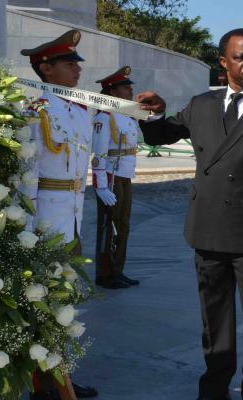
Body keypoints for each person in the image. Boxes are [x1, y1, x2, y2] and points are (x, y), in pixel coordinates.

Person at [136, 28, 243, 400]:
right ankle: (214, 390)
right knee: (214, 321)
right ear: (223, 62)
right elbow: (160, 135)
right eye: (242, 57)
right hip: (208, 230)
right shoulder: (201, 105)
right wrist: (154, 114)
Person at [20, 29, 99, 400]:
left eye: (76, 63)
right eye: (69, 63)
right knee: (43, 301)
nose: (77, 70)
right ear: (46, 68)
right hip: (45, 221)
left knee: (63, 303)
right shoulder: (36, 109)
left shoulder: (79, 111)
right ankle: (45, 382)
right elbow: (27, 172)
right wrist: (28, 226)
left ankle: (61, 376)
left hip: (71, 217)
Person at [92, 66, 141, 289]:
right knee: (108, 226)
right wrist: (101, 186)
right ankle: (105, 273)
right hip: (111, 176)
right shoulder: (105, 116)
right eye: (125, 87)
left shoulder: (127, 115)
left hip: (124, 175)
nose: (130, 90)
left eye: (129, 86)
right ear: (112, 92)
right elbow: (99, 154)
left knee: (123, 226)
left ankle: (118, 270)